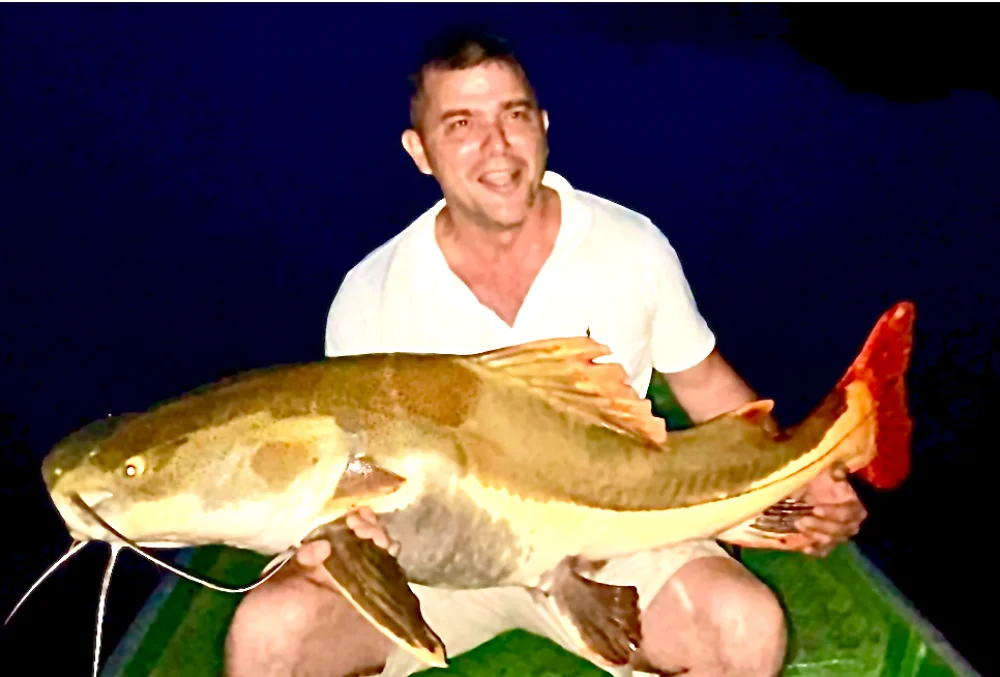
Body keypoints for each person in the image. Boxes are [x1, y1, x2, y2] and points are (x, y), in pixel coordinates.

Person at [224, 29, 869, 677]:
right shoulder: (371, 292)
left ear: (544, 126)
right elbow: (353, 478)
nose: (497, 145)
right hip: (431, 568)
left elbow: (701, 380)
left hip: (611, 539)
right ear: (419, 151)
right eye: (461, 124)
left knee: (746, 626)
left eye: (514, 115)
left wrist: (809, 472)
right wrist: (346, 531)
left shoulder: (630, 245)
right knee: (267, 632)